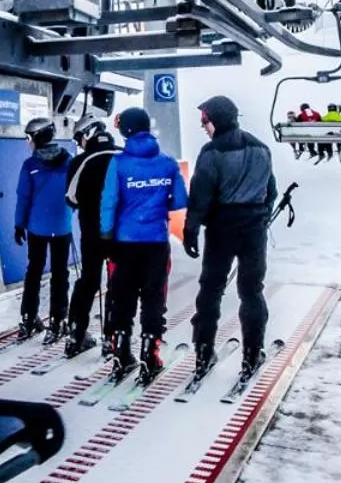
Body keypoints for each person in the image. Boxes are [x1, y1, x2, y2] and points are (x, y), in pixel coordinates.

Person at [184, 96, 277, 386]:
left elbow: (201, 195)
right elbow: (270, 190)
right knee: (251, 291)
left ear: (218, 120)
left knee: (211, 290)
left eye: (205, 120)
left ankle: (203, 353)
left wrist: (191, 229)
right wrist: (260, 215)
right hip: (254, 231)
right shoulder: (261, 148)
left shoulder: (212, 152)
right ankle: (252, 354)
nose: (203, 126)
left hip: (221, 230)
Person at [99, 107, 187, 383]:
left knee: (122, 296)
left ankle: (121, 353)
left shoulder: (118, 163)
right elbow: (179, 202)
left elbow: (109, 201)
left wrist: (105, 235)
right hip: (156, 243)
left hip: (124, 243)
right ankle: (151, 354)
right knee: (153, 297)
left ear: (125, 130)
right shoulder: (168, 163)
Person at [63, 116, 120, 356]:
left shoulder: (80, 161)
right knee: (118, 282)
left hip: (91, 232)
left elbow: (71, 197)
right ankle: (113, 337)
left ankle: (76, 334)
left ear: (89, 133)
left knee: (89, 281)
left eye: (79, 137)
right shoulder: (123, 156)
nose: (79, 143)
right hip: (120, 232)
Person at [14, 116, 74, 343]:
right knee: (60, 273)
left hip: (36, 228)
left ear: (37, 138)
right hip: (61, 227)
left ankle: (28, 318)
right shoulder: (69, 161)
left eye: (28, 137)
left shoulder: (30, 165)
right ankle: (58, 320)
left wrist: (19, 224)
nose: (27, 142)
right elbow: (75, 193)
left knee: (34, 271)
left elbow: (23, 198)